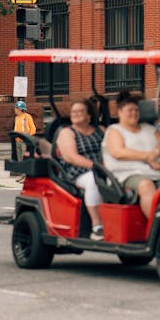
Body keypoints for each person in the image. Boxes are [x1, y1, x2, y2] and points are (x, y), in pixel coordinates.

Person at [101, 91, 160, 217]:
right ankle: (154, 226)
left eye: (136, 110)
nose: (134, 113)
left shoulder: (150, 129)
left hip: (159, 171)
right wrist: (148, 157)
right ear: (120, 112)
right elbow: (118, 153)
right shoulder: (114, 130)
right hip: (129, 173)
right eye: (130, 110)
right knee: (146, 185)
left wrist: (156, 153)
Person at [55, 99, 105, 239]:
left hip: (105, 169)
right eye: (73, 112)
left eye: (80, 111)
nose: (76, 114)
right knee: (93, 181)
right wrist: (95, 167)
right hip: (77, 172)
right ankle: (97, 226)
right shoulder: (67, 133)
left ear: (89, 115)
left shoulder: (101, 130)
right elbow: (71, 157)